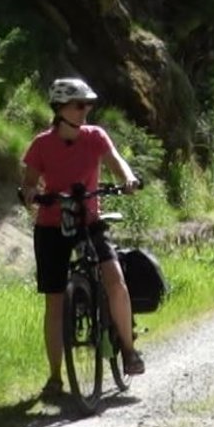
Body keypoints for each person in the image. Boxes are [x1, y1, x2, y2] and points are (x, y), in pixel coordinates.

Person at [20, 76, 146, 400]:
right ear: (60, 109)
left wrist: (128, 180)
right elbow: (28, 184)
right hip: (52, 227)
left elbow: (117, 163)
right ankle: (54, 378)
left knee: (115, 277)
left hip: (89, 222)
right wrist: (33, 195)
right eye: (79, 105)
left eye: (88, 104)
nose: (86, 110)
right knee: (55, 301)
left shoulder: (96, 137)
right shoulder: (41, 145)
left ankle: (129, 351)